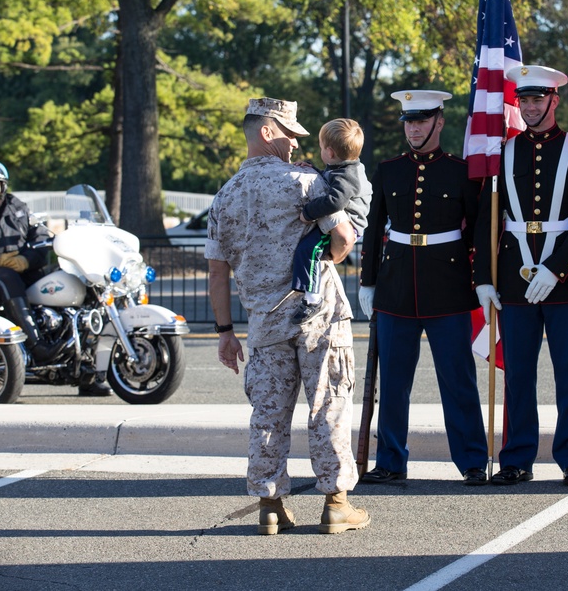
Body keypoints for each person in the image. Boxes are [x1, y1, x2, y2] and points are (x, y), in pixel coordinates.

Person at [206, 97, 370, 534]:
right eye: (289, 135)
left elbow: (217, 273)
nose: (297, 145)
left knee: (268, 413)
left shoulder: (223, 198)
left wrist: (225, 332)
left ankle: (270, 506)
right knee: (329, 405)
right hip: (319, 317)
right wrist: (334, 255)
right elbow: (342, 236)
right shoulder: (306, 183)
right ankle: (336, 504)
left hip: (262, 322)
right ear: (266, 131)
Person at [473, 65, 568, 487]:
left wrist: (558, 268)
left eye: (537, 99)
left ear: (553, 101)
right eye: (523, 100)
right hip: (513, 274)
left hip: (567, 278)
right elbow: (487, 218)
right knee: (520, 373)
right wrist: (484, 277)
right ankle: (516, 458)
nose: (529, 107)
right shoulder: (502, 151)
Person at [358, 90, 488, 486]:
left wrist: (479, 278)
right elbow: (373, 228)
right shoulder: (388, 169)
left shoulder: (461, 171)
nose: (413, 128)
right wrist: (368, 282)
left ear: (439, 122)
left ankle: (472, 461)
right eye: (409, 122)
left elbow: (478, 233)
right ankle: (391, 460)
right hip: (396, 287)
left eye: (421, 120)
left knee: (457, 378)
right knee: (393, 381)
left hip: (447, 286)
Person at [0, 160, 111, 397]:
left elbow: (41, 237)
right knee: (6, 278)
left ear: (2, 186)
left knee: (77, 283)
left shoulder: (18, 208)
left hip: (25, 270)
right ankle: (38, 346)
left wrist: (27, 259)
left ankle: (88, 372)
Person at [290, 118, 372, 324]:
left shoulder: (348, 175)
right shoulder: (343, 167)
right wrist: (312, 169)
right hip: (339, 222)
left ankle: (312, 300)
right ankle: (309, 293)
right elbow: (328, 181)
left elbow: (334, 200)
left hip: (349, 224)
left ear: (330, 152)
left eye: (320, 148)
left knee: (310, 250)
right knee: (307, 249)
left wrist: (308, 213)